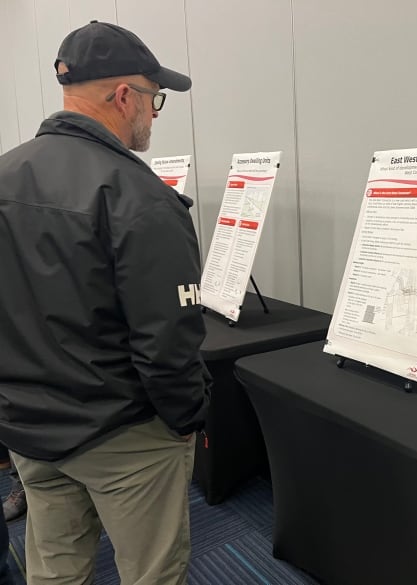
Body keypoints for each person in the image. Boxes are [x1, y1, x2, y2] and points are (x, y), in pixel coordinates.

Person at [0, 20, 210, 585]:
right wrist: (189, 419)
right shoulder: (140, 199)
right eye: (155, 98)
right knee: (151, 571)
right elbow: (168, 340)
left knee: (55, 568)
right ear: (125, 97)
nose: (154, 113)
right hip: (122, 434)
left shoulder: (5, 175)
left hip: (29, 429)